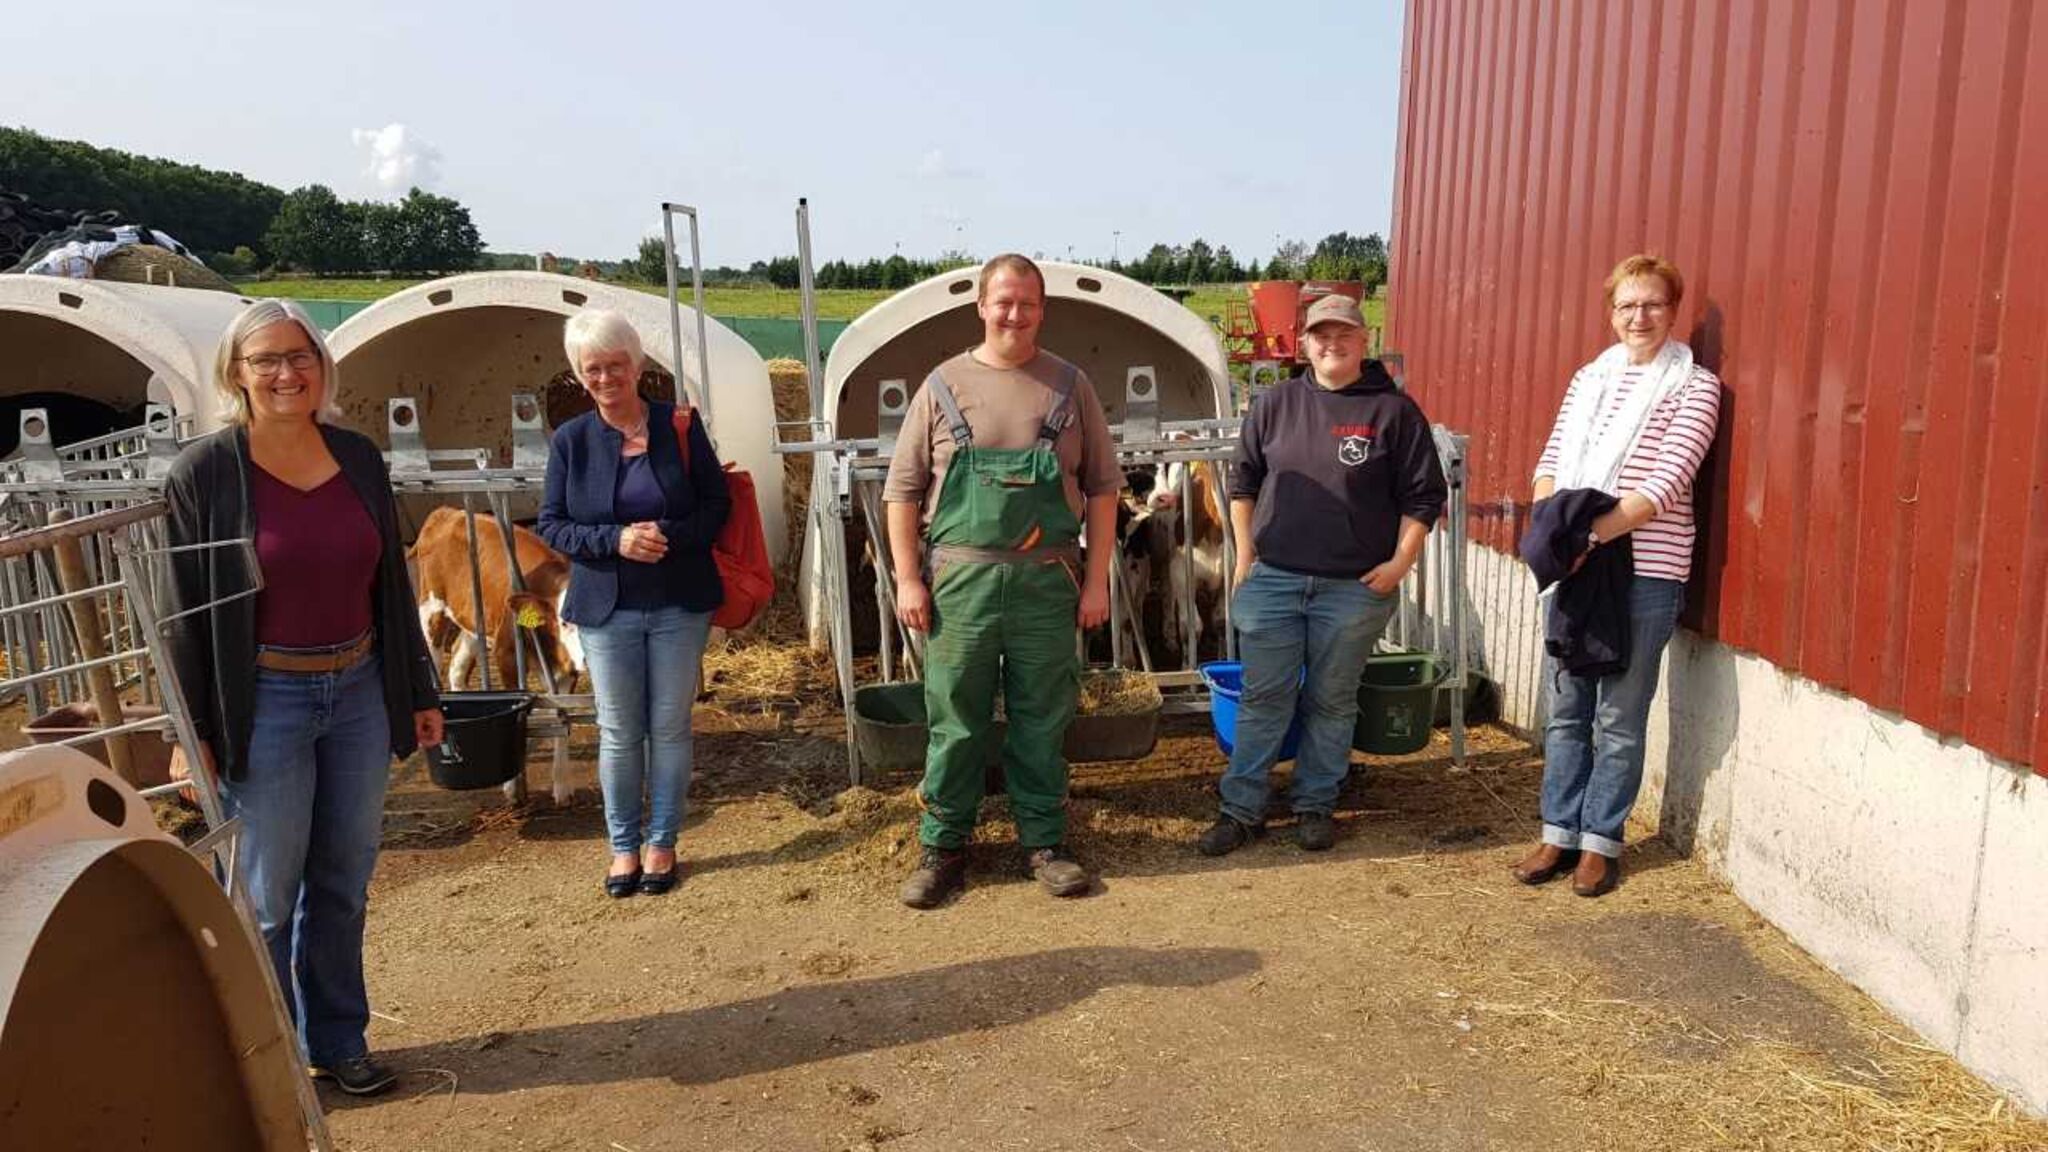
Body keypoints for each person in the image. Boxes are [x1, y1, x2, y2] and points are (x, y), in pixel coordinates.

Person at [162, 299, 444, 1097]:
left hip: (357, 688)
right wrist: (191, 730)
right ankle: (268, 1055)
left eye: (301, 357)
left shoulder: (356, 456)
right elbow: (183, 608)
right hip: (267, 698)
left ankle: (339, 1040)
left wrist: (415, 686)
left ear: (322, 367)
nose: (287, 374)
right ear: (236, 374)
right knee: (265, 894)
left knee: (344, 879)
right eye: (267, 361)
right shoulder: (206, 472)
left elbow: (391, 577)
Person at [884, 253, 1122, 908]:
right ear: (981, 307)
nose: (1014, 314)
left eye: (1027, 303)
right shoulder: (940, 387)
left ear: (1042, 310)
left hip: (1048, 581)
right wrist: (908, 579)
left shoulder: (1071, 388)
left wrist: (1096, 580)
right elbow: (902, 493)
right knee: (955, 719)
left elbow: (1103, 489)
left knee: (1041, 718)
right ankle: (943, 846)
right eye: (1003, 302)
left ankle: (1045, 843)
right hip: (959, 585)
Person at [1198, 294, 1447, 856]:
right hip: (1276, 578)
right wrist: (1244, 556)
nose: (1331, 344)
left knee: (1333, 700)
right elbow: (1244, 484)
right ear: (1304, 344)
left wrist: (1400, 562)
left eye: (1343, 334)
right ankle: (1242, 810)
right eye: (1319, 335)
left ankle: (1315, 804)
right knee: (1265, 696)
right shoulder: (1276, 403)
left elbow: (1424, 496)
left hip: (1354, 588)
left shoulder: (1393, 411)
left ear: (1365, 341)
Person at [1511, 254, 1721, 897]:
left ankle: (1601, 842)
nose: (1640, 316)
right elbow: (1550, 460)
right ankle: (1557, 831)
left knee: (1620, 715)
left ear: (1672, 311)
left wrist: (1584, 539)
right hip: (1577, 568)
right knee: (1567, 707)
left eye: (1653, 304)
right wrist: (1556, 530)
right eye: (1628, 305)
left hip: (1645, 570)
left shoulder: (1695, 386)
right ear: (1612, 312)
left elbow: (1666, 482)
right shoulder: (1589, 379)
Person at [538, 309, 729, 899]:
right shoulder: (571, 442)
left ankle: (663, 841)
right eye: (593, 368)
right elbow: (553, 524)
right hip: (607, 607)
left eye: (616, 364)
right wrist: (615, 541)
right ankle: (623, 846)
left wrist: (666, 537)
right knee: (620, 731)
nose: (605, 378)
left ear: (638, 365)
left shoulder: (680, 426)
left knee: (669, 727)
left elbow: (717, 505)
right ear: (580, 374)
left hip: (678, 601)